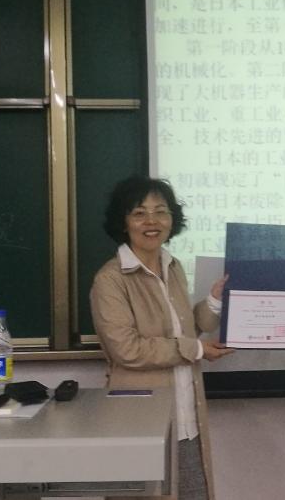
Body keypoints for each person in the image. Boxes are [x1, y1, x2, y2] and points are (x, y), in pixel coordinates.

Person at [90, 175, 234, 500]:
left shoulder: (173, 266)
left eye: (161, 212)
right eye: (139, 213)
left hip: (188, 419)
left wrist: (214, 300)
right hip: (139, 422)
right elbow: (127, 349)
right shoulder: (110, 280)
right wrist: (196, 349)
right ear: (123, 222)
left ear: (172, 218)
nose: (152, 222)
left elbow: (186, 328)